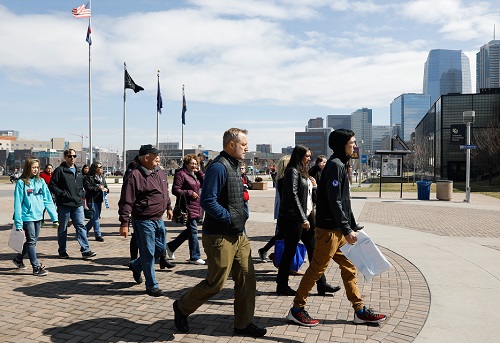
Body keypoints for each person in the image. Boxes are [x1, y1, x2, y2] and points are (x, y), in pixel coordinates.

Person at [172, 128, 266, 338]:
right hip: (219, 236)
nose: (247, 147)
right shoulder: (218, 167)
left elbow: (236, 196)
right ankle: (181, 307)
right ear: (230, 145)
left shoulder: (235, 166)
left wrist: (241, 215)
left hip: (239, 235)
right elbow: (207, 200)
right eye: (243, 144)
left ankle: (243, 324)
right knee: (216, 283)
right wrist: (229, 217)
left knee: (247, 279)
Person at [287, 129, 386, 327]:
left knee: (349, 267)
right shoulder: (334, 165)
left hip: (339, 231)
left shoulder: (342, 164)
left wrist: (352, 225)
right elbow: (335, 201)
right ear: (342, 145)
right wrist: (346, 228)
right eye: (352, 142)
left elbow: (344, 201)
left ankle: (359, 311)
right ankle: (296, 309)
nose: (354, 146)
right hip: (329, 232)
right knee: (316, 270)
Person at [275, 145, 340, 297]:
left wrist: (314, 188)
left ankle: (321, 284)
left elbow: (309, 196)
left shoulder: (303, 171)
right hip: (293, 219)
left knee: (314, 251)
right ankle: (282, 285)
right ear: (299, 156)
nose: (310, 158)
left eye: (310, 156)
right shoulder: (292, 171)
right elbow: (293, 196)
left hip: (306, 218)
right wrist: (302, 218)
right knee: (289, 251)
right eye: (307, 156)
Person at [118, 144, 173, 297]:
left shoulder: (160, 172)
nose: (158, 158)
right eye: (155, 155)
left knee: (161, 249)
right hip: (143, 220)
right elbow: (126, 200)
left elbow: (165, 192)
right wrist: (124, 223)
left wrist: (168, 206)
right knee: (148, 253)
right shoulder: (134, 175)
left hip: (158, 219)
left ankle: (136, 265)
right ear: (146, 158)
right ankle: (152, 285)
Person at [12, 158, 58, 276]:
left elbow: (48, 200)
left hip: (38, 217)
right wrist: (18, 223)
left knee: (32, 242)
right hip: (27, 217)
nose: (35, 170)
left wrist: (54, 218)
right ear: (28, 168)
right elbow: (17, 204)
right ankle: (36, 267)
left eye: (37, 167)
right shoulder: (21, 183)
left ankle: (18, 259)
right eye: (33, 167)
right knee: (31, 241)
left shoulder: (41, 182)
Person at [49, 149, 96, 259]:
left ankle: (85, 250)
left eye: (74, 156)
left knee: (81, 226)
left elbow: (85, 184)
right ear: (65, 157)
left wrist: (82, 193)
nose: (72, 158)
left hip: (77, 204)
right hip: (64, 204)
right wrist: (62, 194)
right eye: (70, 156)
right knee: (63, 228)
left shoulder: (78, 171)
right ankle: (62, 250)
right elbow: (52, 185)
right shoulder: (60, 170)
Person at [166, 154, 205, 265]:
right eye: (192, 163)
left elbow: (205, 183)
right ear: (186, 163)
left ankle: (171, 246)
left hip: (196, 206)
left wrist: (199, 172)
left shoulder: (195, 174)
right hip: (187, 206)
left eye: (196, 163)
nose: (194, 165)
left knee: (190, 230)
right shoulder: (181, 174)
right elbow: (175, 190)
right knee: (193, 231)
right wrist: (189, 193)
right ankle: (195, 256)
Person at [257, 155, 289, 262]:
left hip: (283, 211)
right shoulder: (283, 180)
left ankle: (287, 254)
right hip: (283, 211)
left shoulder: (283, 179)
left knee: (283, 234)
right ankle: (266, 250)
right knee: (282, 234)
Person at [83, 162, 109, 242]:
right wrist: (98, 188)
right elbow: (87, 188)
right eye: (100, 167)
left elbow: (106, 186)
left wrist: (106, 190)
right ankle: (98, 235)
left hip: (99, 199)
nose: (101, 168)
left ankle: (84, 230)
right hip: (92, 199)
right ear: (95, 169)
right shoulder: (89, 177)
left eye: (102, 167)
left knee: (94, 218)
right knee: (96, 218)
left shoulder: (102, 177)